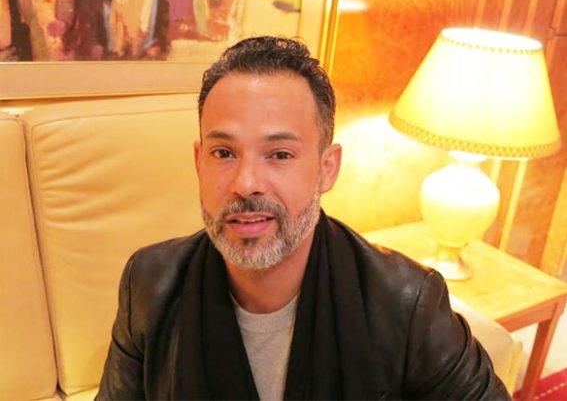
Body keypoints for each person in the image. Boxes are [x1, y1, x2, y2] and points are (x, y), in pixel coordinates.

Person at [96, 36, 511, 400]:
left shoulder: (407, 304)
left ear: (327, 168)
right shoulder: (149, 285)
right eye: (224, 153)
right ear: (198, 162)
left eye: (279, 154)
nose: (246, 184)